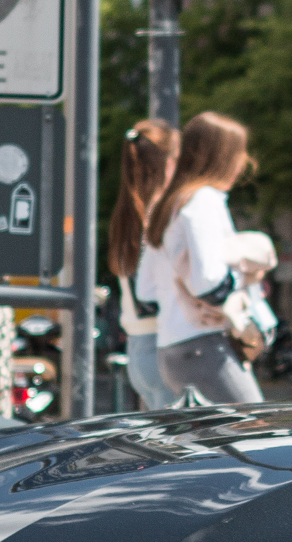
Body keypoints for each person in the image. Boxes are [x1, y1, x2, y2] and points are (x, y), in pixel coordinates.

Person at [145, 112, 265, 405]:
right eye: (238, 153)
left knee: (206, 448)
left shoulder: (171, 204)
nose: (244, 162)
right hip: (204, 346)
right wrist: (245, 277)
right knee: (255, 433)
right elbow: (209, 283)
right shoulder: (204, 201)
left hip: (171, 348)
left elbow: (145, 291)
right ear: (220, 157)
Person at [107, 120, 180, 411]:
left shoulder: (127, 211)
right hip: (165, 344)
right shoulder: (164, 212)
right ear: (169, 162)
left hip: (138, 347)